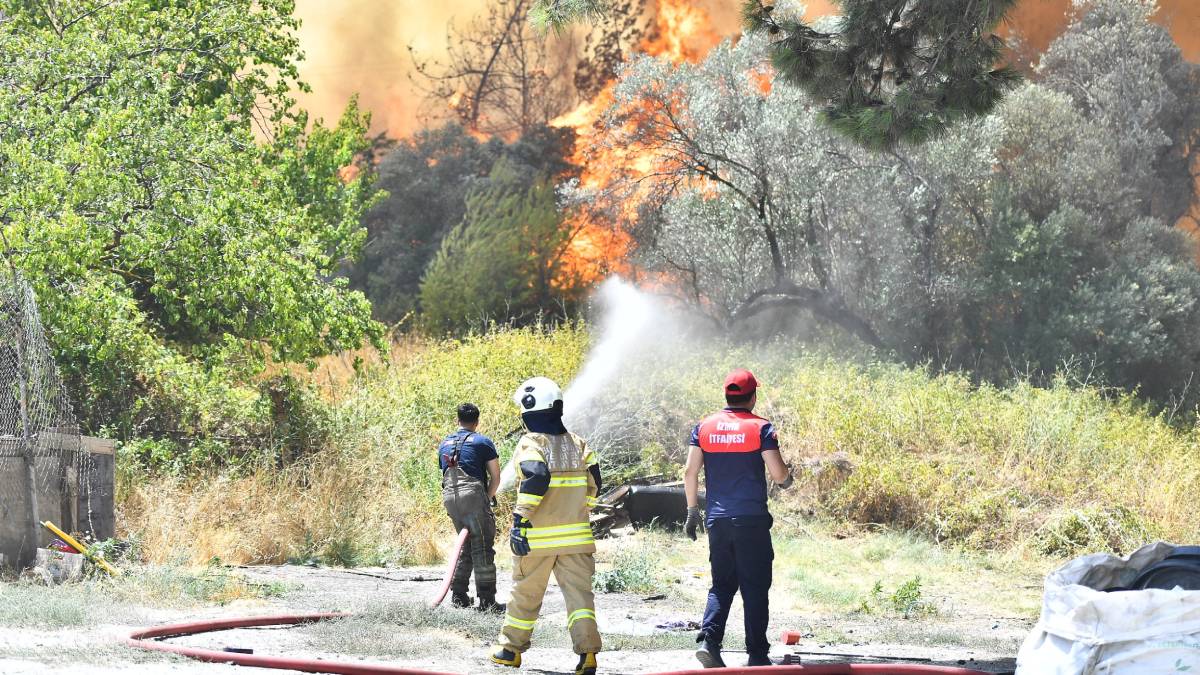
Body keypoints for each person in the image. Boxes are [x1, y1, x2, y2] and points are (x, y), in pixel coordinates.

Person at [490, 377, 602, 675]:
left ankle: (510, 651)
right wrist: (580, 510)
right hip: (577, 538)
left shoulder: (531, 442)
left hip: (536, 539)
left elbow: (537, 476)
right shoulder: (579, 444)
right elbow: (596, 482)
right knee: (580, 600)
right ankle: (588, 654)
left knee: (525, 594)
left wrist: (520, 518)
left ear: (530, 408)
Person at [683, 368, 793, 669]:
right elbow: (778, 474)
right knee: (754, 586)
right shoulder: (761, 428)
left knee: (721, 584)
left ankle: (710, 642)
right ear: (753, 396)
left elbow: (690, 472)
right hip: (751, 522)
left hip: (717, 520)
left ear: (727, 395)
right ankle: (756, 654)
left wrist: (692, 511)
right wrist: (787, 479)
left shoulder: (703, 427)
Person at [438, 402, 503, 613]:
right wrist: (487, 498)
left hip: (450, 498)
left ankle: (458, 596)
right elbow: (496, 476)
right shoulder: (483, 442)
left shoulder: (444, 443)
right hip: (473, 497)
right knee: (482, 547)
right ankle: (486, 602)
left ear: (458, 420)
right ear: (477, 421)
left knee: (465, 546)